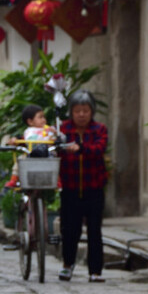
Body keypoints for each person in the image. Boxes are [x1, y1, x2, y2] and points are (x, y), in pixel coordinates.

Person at [57, 91, 109, 282]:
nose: (81, 114)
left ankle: (95, 271)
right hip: (69, 187)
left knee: (95, 230)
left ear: (91, 111)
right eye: (77, 110)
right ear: (71, 112)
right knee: (70, 229)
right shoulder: (63, 130)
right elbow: (52, 145)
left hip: (93, 186)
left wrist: (81, 148)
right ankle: (67, 265)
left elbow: (99, 149)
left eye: (85, 110)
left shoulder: (100, 129)